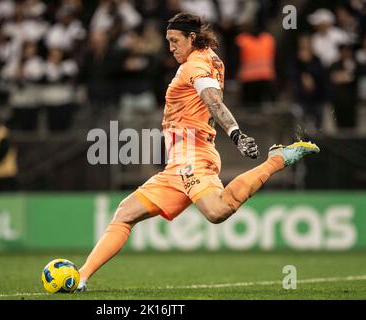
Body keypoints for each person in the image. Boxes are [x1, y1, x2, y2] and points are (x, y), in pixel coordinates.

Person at [76, 12, 319, 292]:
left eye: (174, 40)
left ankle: (276, 160)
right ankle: (81, 277)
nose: (170, 47)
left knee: (217, 211)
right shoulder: (212, 58)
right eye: (168, 41)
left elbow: (213, 101)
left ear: (192, 38)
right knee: (125, 213)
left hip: (192, 155)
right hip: (177, 162)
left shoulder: (195, 65)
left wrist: (236, 134)